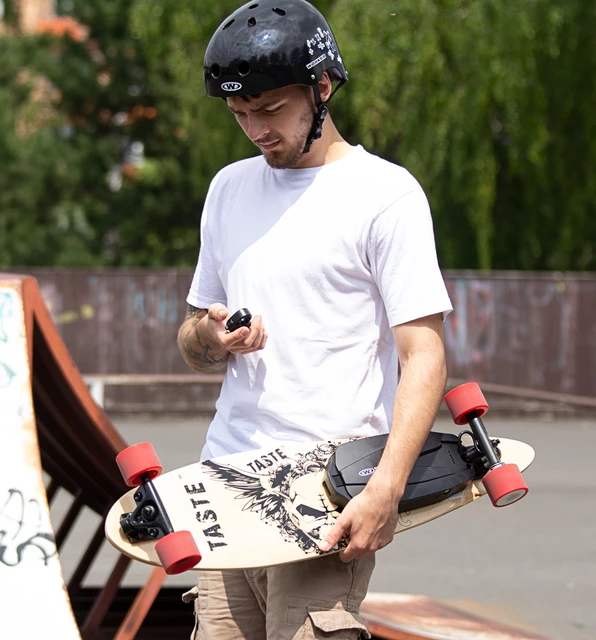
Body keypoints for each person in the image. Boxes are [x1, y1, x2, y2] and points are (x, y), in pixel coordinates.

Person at [177, 1, 452, 638]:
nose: (255, 129)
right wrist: (211, 337)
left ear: (322, 87)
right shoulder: (228, 190)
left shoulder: (386, 196)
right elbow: (192, 339)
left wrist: (386, 489)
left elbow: (424, 357)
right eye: (239, 114)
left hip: (323, 494)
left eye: (270, 109)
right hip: (224, 486)